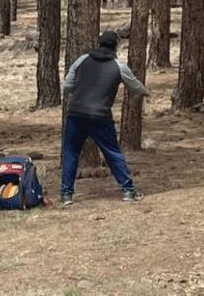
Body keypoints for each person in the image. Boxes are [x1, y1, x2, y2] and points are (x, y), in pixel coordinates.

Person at [60, 30, 148, 206]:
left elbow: (67, 86)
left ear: (99, 43)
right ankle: (128, 191)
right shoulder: (118, 66)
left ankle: (66, 195)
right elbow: (135, 85)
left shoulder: (82, 60)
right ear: (115, 46)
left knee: (70, 152)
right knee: (112, 152)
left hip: (76, 114)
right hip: (100, 117)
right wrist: (146, 92)